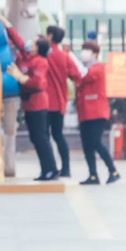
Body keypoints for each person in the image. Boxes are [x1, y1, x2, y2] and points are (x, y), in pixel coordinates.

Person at [1, 17, 59, 181]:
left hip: (38, 105)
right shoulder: (27, 56)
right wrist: (6, 23)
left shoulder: (40, 62)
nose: (28, 43)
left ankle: (51, 169)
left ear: (37, 47)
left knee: (41, 137)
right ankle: (45, 170)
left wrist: (21, 77)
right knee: (35, 138)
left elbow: (38, 82)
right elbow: (18, 41)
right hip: (29, 104)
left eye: (32, 42)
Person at [75, 41, 121, 185]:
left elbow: (87, 76)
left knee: (95, 142)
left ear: (95, 53)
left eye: (87, 50)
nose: (84, 53)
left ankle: (113, 170)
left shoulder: (97, 68)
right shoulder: (84, 69)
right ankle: (93, 175)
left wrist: (70, 59)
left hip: (97, 112)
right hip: (84, 112)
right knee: (87, 145)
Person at [45, 25, 82, 177]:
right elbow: (77, 75)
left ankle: (50, 167)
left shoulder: (44, 54)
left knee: (44, 137)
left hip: (45, 102)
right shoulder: (64, 56)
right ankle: (66, 168)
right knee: (58, 135)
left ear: (50, 36)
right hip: (60, 102)